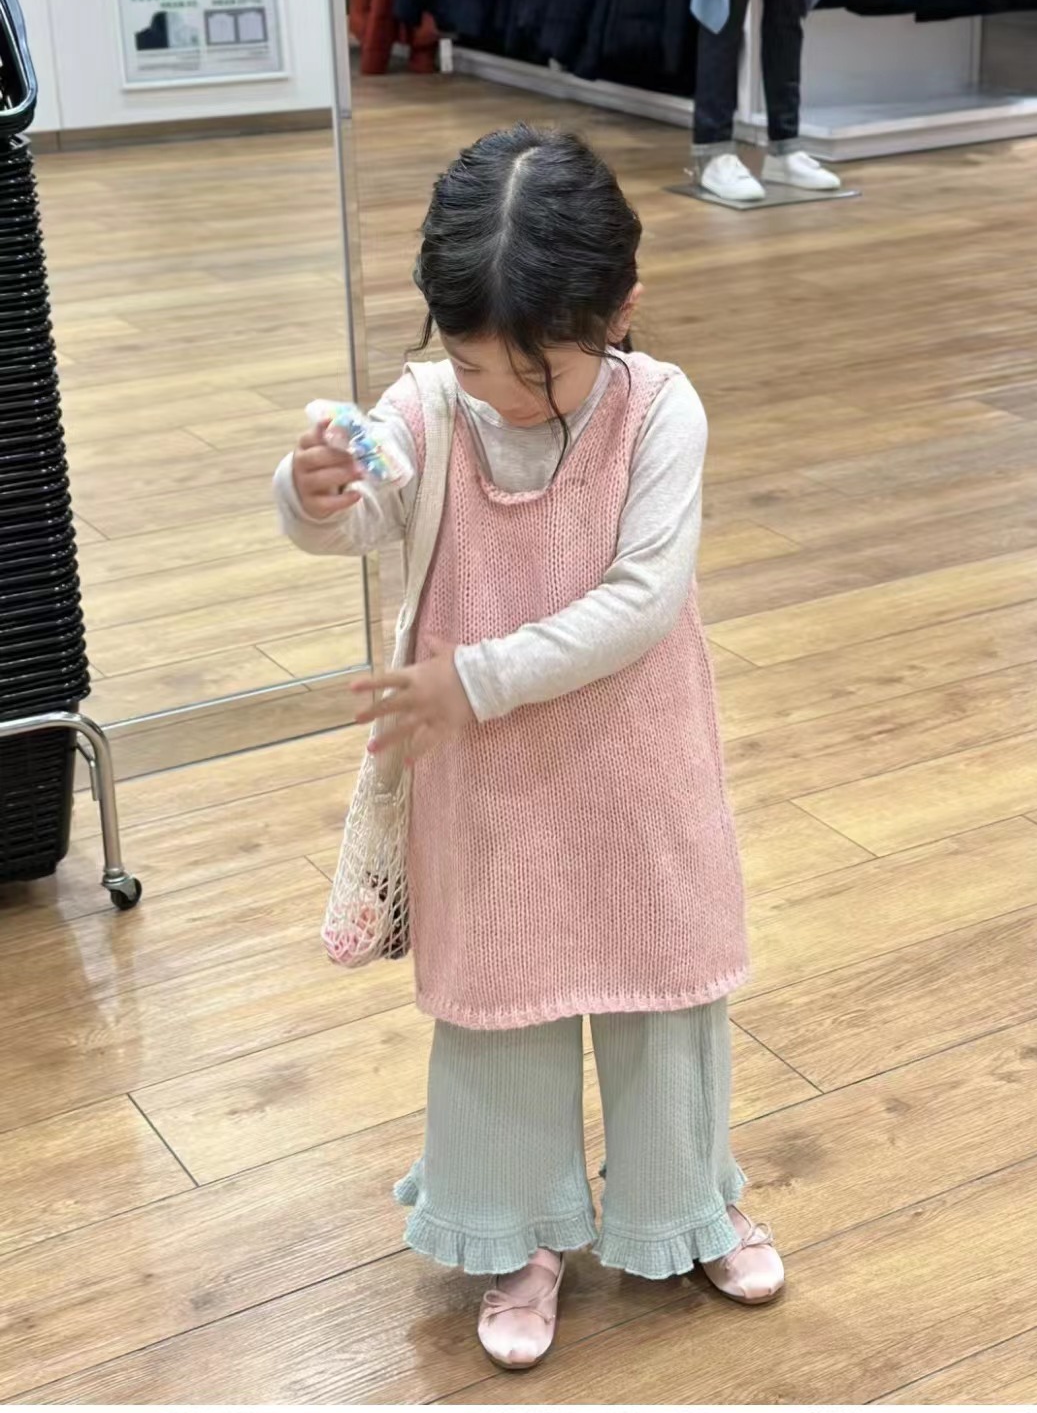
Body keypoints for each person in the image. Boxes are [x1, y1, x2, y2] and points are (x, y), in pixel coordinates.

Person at [273, 124, 784, 1371]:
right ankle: (517, 1231)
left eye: (536, 373)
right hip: (488, 783)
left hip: (636, 758)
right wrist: (312, 493)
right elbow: (357, 516)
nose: (499, 392)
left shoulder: (661, 409)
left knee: (666, 979)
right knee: (500, 996)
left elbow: (642, 601)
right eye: (470, 360)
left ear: (620, 311)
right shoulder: (428, 407)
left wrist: (473, 678)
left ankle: (688, 1199)